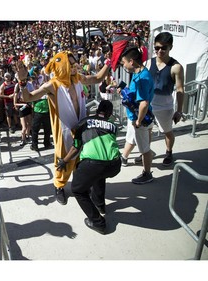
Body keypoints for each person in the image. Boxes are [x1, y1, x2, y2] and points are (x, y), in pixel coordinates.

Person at [16, 50, 112, 205]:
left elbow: (97, 78)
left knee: (82, 158)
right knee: (63, 160)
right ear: (62, 67)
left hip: (81, 127)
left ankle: (79, 183)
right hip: (64, 130)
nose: (76, 67)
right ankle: (59, 186)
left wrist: (108, 63)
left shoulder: (77, 79)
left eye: (75, 64)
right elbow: (28, 97)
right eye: (71, 64)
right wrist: (21, 81)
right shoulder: (52, 85)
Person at [58, 100, 121, 234]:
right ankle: (100, 206)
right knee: (99, 174)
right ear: (109, 114)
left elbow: (76, 147)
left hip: (93, 164)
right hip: (115, 165)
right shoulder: (113, 126)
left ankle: (98, 223)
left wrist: (64, 161)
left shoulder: (84, 123)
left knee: (78, 190)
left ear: (97, 110)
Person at [146, 31, 184, 166]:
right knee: (147, 130)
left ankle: (169, 152)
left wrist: (179, 111)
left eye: (164, 48)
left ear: (170, 47)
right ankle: (146, 152)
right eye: (157, 48)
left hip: (165, 105)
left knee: (167, 131)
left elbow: (180, 89)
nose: (159, 51)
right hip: (149, 104)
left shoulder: (176, 67)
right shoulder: (148, 63)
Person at [119, 47, 155, 184]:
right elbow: (135, 96)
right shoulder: (137, 73)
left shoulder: (143, 78)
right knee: (135, 141)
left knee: (144, 149)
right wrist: (123, 90)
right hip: (136, 117)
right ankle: (125, 157)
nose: (123, 65)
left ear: (131, 61)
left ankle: (147, 174)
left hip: (140, 119)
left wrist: (138, 121)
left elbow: (144, 103)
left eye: (124, 62)